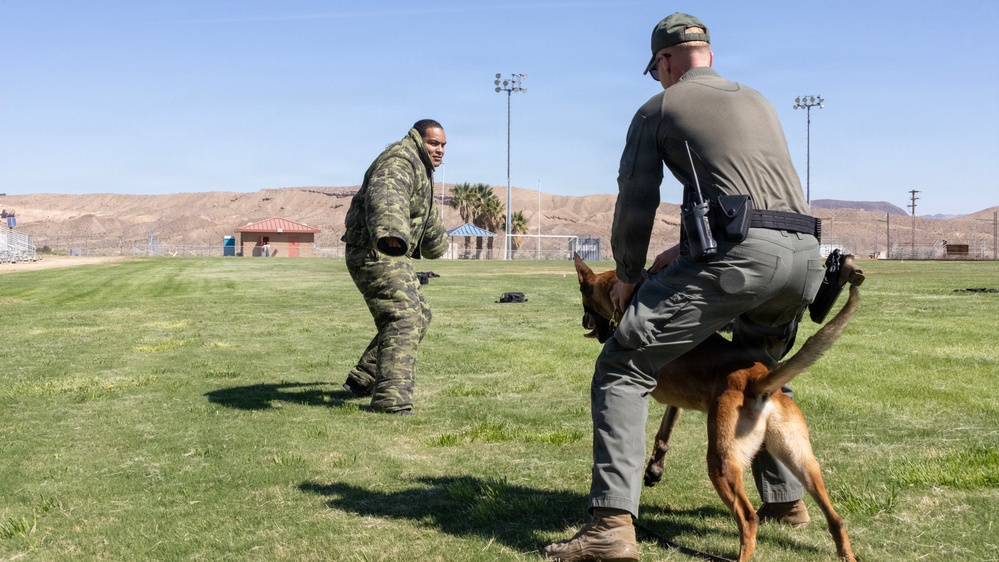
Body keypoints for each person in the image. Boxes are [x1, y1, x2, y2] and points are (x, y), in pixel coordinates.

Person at [543, 13, 824, 561]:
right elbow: (748, 195)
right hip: (805, 258)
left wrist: (628, 275)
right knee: (756, 372)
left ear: (666, 61)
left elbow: (636, 201)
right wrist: (685, 249)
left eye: (657, 71)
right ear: (709, 56)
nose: (659, 79)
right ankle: (787, 502)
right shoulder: (760, 101)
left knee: (622, 364)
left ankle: (610, 529)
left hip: (744, 259)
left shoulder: (660, 108)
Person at [339, 119, 449, 415]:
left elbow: (425, 216)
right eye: (433, 143)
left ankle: (363, 378)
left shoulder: (421, 169)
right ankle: (391, 402)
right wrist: (391, 232)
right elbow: (389, 193)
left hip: (391, 251)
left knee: (421, 314)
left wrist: (438, 244)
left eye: (442, 145)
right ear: (418, 139)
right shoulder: (400, 159)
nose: (439, 150)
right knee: (403, 317)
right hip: (377, 249)